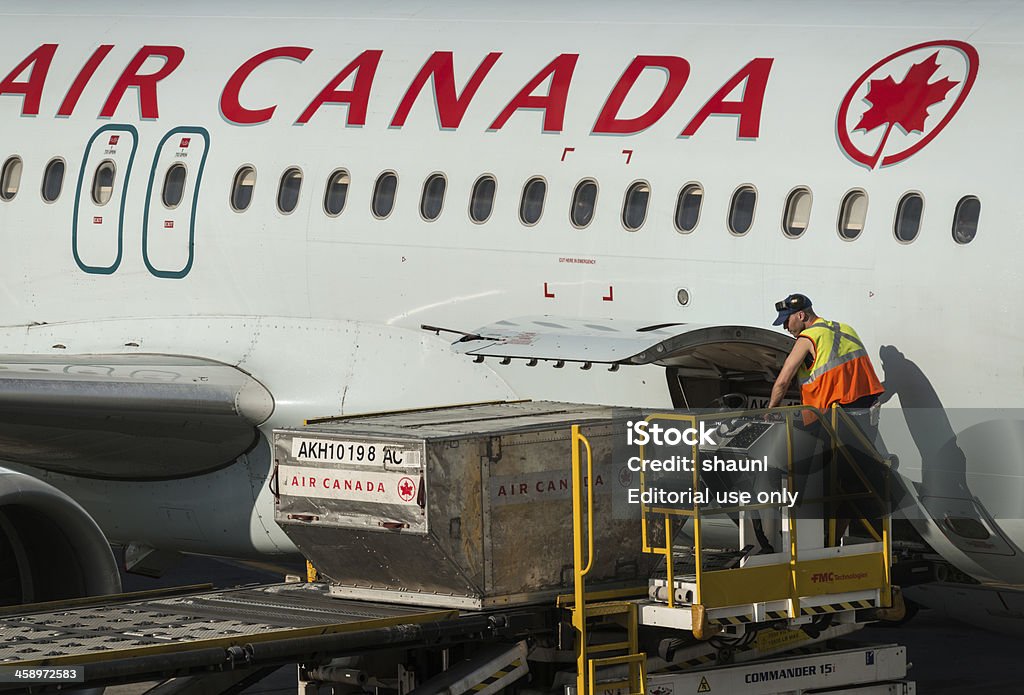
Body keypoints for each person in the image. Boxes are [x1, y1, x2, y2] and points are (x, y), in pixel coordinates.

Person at [767, 293, 887, 540]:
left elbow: (782, 381)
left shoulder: (808, 337)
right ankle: (833, 538)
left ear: (801, 316)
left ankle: (809, 537)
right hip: (866, 414)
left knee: (809, 475)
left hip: (834, 417)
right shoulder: (845, 329)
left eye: (787, 322)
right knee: (849, 481)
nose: (787, 328)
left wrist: (770, 412)